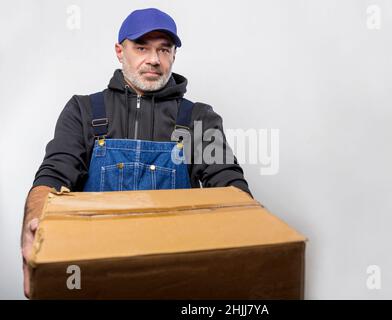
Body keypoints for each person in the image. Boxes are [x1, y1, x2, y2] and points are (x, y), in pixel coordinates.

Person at [21, 7, 251, 298]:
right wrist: (34, 227)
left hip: (175, 276)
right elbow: (54, 174)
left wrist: (250, 229)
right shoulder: (83, 111)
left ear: (173, 56)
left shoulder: (198, 118)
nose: (154, 60)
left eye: (164, 50)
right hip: (93, 273)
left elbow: (227, 181)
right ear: (120, 51)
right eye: (142, 47)